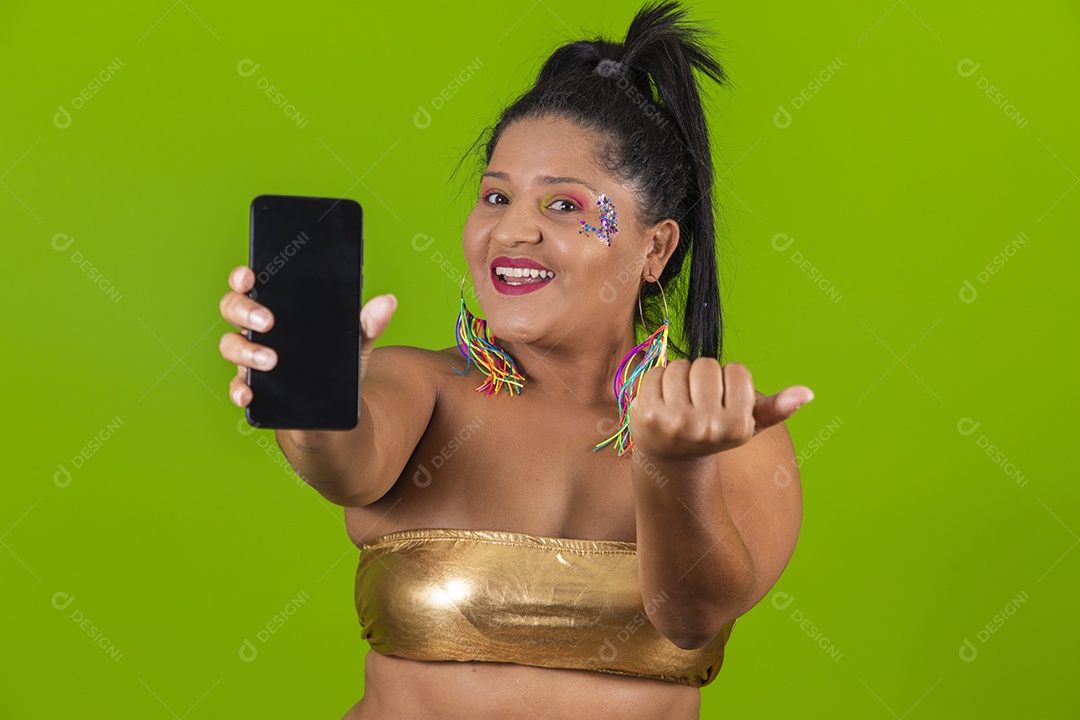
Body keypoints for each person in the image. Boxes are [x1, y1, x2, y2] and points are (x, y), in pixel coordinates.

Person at [219, 2, 813, 717]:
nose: (512, 229)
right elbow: (343, 462)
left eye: (563, 206)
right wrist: (312, 393)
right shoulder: (424, 389)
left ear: (655, 248)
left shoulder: (729, 432)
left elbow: (691, 618)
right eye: (495, 196)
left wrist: (676, 468)